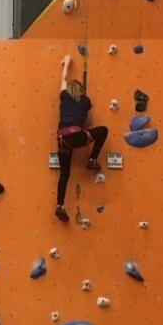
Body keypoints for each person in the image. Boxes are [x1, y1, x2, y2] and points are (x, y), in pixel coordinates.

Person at [55, 54, 108, 222]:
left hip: (63, 139)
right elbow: (86, 111)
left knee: (64, 174)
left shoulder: (63, 96)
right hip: (78, 135)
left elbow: (63, 78)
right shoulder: (85, 100)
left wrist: (67, 62)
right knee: (103, 130)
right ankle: (92, 160)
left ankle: (59, 205)